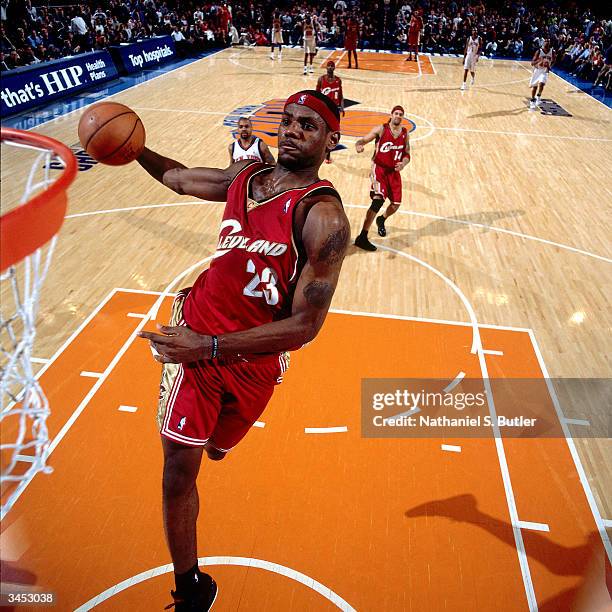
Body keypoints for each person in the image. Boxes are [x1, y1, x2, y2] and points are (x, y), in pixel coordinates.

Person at [136, 89, 349, 611]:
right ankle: (191, 587)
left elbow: (303, 325)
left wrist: (212, 345)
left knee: (217, 446)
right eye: (290, 121)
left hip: (250, 360)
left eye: (309, 126)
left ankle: (217, 435)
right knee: (178, 469)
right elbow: (180, 178)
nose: (294, 130)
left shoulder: (323, 218)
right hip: (195, 338)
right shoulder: (244, 179)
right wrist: (133, 146)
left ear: (330, 141)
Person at [354, 105, 411, 251]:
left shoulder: (405, 133)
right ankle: (362, 237)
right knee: (378, 201)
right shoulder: (381, 129)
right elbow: (362, 141)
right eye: (396, 113)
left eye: (401, 114)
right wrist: (359, 146)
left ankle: (382, 219)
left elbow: (407, 154)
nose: (398, 116)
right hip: (379, 169)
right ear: (391, 115)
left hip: (394, 172)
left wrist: (403, 164)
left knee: (396, 204)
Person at [316, 60, 344, 163]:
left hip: (335, 110)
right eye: (329, 66)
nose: (331, 68)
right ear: (326, 68)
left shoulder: (338, 80)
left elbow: (341, 94)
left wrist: (342, 107)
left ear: (334, 68)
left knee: (333, 133)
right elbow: (316, 95)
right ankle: (320, 153)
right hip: (324, 109)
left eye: (332, 66)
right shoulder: (321, 80)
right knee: (323, 132)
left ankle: (327, 156)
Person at [529, 38, 555, 110]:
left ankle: (538, 96)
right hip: (537, 70)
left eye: (548, 41)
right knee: (535, 86)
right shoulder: (539, 51)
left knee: (542, 83)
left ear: (550, 43)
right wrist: (538, 60)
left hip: (544, 71)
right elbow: (532, 63)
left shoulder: (552, 52)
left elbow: (554, 60)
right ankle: (533, 100)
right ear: (543, 43)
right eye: (546, 41)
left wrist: (549, 67)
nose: (547, 43)